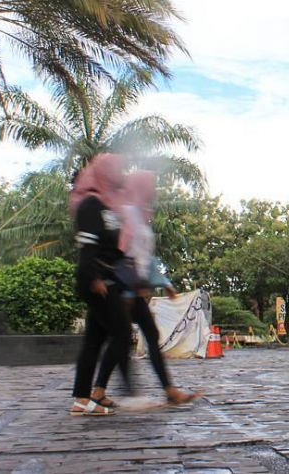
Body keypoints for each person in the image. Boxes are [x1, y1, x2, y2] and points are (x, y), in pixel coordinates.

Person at [93, 170, 197, 406]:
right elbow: (121, 254)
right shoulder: (127, 214)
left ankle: (168, 390)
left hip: (134, 289)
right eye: (150, 185)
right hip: (122, 288)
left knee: (145, 334)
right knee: (121, 337)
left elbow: (146, 258)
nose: (153, 189)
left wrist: (164, 283)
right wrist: (128, 291)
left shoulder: (141, 216)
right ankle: (99, 390)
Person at [68, 154, 132, 416]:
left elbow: (114, 248)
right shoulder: (91, 205)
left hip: (108, 279)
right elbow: (88, 248)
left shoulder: (107, 207)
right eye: (116, 170)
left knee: (94, 339)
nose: (121, 174)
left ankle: (82, 400)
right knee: (123, 334)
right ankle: (88, 396)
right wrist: (94, 278)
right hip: (95, 279)